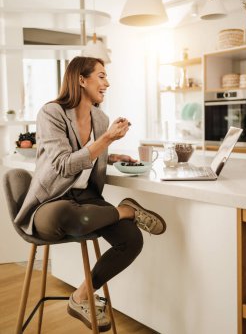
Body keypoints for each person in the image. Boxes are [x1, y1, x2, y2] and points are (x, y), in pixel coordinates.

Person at [14, 56, 166, 331]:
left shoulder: (101, 117)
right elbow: (63, 165)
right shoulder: (51, 113)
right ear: (81, 80)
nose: (107, 83)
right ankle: (127, 210)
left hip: (86, 200)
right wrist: (106, 139)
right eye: (101, 76)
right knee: (64, 214)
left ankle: (81, 295)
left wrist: (113, 154)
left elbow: (90, 157)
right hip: (52, 201)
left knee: (131, 239)